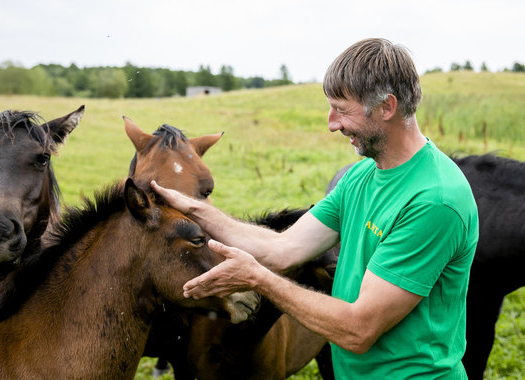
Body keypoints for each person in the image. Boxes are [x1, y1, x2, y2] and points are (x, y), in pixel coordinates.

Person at [151, 38, 479, 379]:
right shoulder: (362, 177)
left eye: (342, 108)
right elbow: (283, 248)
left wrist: (258, 279)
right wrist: (195, 208)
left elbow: (359, 329)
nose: (331, 123)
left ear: (387, 107)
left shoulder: (434, 201)